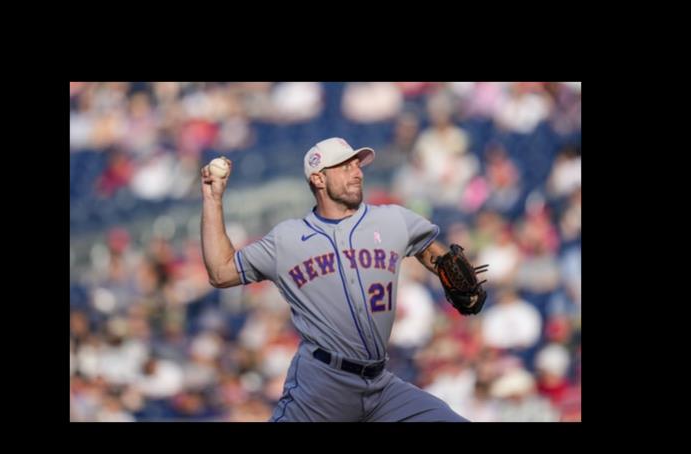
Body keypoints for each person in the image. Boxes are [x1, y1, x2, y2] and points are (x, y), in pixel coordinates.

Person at [201, 137, 487, 422]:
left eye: (357, 165)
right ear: (318, 178)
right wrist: (213, 199)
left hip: (379, 383)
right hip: (322, 385)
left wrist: (449, 274)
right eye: (345, 166)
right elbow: (221, 271)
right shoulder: (286, 239)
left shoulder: (392, 220)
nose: (357, 172)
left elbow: (428, 248)